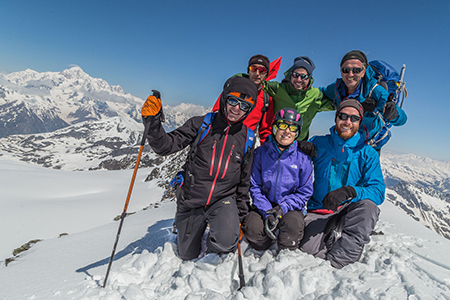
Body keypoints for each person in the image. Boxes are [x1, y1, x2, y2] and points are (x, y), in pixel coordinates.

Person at [141, 76, 258, 260]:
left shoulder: (247, 139)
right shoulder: (202, 124)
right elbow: (165, 146)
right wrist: (153, 122)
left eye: (244, 106)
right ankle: (185, 224)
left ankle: (217, 234)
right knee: (187, 254)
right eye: (233, 101)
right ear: (225, 99)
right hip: (192, 198)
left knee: (227, 241)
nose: (237, 109)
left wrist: (240, 219)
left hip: (222, 199)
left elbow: (243, 182)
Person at [299, 99, 386, 269]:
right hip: (320, 208)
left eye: (354, 118)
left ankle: (340, 259)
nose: (348, 122)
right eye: (343, 116)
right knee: (306, 249)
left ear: (360, 122)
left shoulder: (368, 153)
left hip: (350, 210)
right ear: (336, 117)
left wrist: (350, 192)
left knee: (368, 207)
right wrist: (297, 147)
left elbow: (378, 191)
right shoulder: (319, 142)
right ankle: (329, 234)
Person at [243, 108, 313, 252]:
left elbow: (304, 192)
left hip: (289, 208)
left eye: (293, 127)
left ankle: (285, 249)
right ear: (274, 128)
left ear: (297, 133)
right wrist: (267, 210)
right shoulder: (260, 154)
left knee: (292, 228)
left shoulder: (303, 159)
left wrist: (282, 209)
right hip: (265, 205)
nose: (287, 131)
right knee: (252, 230)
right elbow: (254, 186)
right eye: (282, 125)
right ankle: (266, 243)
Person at [320, 50, 407, 152]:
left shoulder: (375, 91)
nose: (350, 74)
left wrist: (393, 114)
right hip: (347, 137)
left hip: (368, 144)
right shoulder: (338, 87)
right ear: (341, 71)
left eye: (356, 70)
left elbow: (402, 119)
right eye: (346, 70)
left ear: (363, 72)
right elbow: (322, 93)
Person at [212, 54, 281, 143]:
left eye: (262, 70)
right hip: (218, 138)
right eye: (253, 69)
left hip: (242, 145)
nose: (257, 73)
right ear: (248, 71)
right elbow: (216, 112)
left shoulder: (266, 100)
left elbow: (265, 130)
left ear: (266, 75)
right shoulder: (233, 89)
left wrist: (267, 151)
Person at [264, 56, 334, 142]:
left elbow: (336, 103)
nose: (298, 80)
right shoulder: (278, 89)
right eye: (295, 75)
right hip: (277, 141)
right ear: (290, 75)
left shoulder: (315, 95)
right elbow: (253, 84)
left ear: (309, 77)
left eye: (303, 76)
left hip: (299, 143)